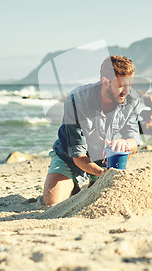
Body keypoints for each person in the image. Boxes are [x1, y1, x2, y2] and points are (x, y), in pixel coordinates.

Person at [42, 56, 142, 206]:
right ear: (105, 81)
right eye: (122, 85)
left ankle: (92, 182)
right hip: (69, 158)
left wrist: (125, 143)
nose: (126, 91)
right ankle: (75, 183)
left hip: (105, 159)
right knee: (52, 203)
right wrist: (102, 174)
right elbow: (77, 155)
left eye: (130, 84)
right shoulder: (77, 99)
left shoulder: (132, 99)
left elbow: (134, 139)